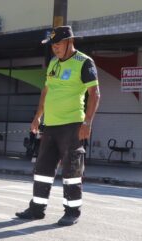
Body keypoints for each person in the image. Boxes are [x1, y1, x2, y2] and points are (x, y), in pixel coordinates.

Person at [15, 25, 100, 226]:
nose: (55, 48)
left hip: (72, 125)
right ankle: (37, 209)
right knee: (42, 168)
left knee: (71, 170)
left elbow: (94, 94)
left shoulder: (84, 62)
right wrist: (38, 116)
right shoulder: (53, 63)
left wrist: (87, 122)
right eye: (52, 44)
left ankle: (72, 211)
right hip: (50, 125)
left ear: (70, 42)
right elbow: (46, 91)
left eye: (58, 43)